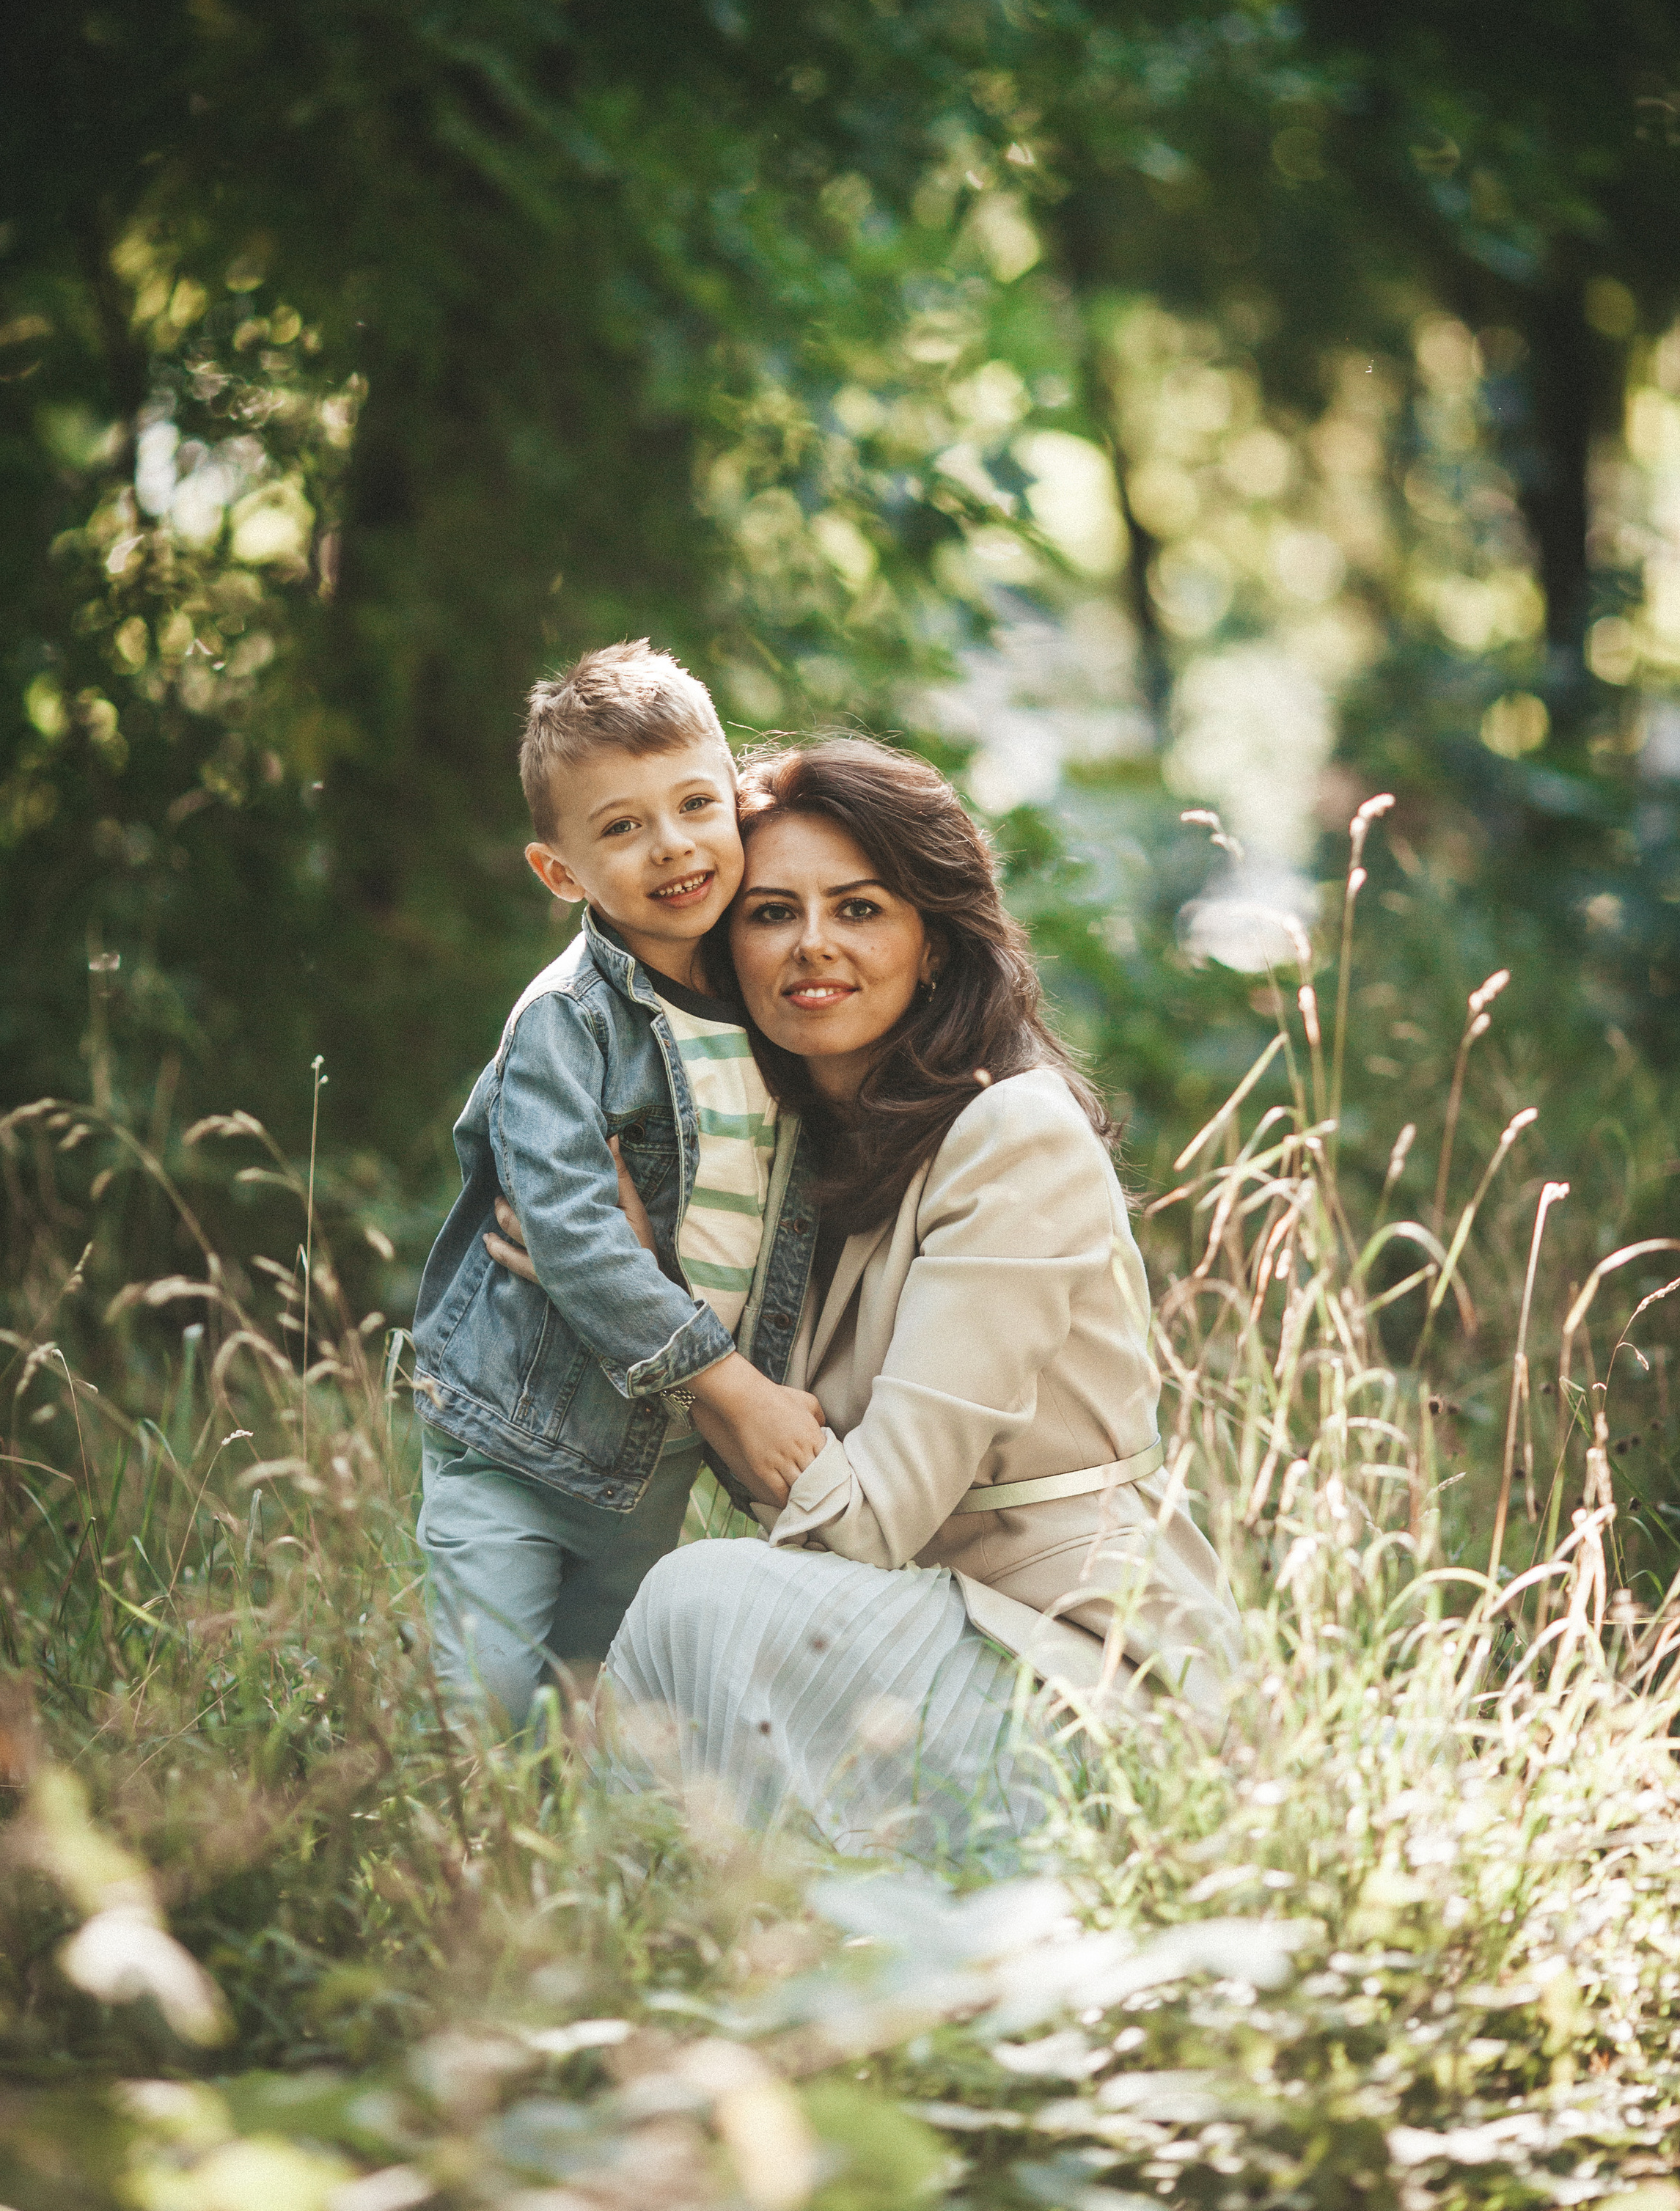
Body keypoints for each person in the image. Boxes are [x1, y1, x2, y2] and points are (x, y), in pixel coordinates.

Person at [594, 738, 1242, 1858]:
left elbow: (868, 1520)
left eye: (859, 909)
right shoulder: (800, 1155)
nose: (812, 947)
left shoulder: (1011, 1135)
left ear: (932, 941)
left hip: (1080, 1684)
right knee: (614, 1625)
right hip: (930, 1635)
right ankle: (666, 1957)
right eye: (769, 914)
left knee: (699, 1600)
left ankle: (680, 1943)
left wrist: (663, 1329)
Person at [411, 641, 824, 1729]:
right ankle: (443, 1881)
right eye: (622, 827)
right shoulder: (568, 1026)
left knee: (586, 1709)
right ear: (561, 872)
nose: (674, 845)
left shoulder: (782, 993)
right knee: (485, 1711)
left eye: (695, 803)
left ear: (736, 802)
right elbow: (573, 1237)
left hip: (655, 1462)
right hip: (516, 1436)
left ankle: (552, 1890)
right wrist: (739, 1391)